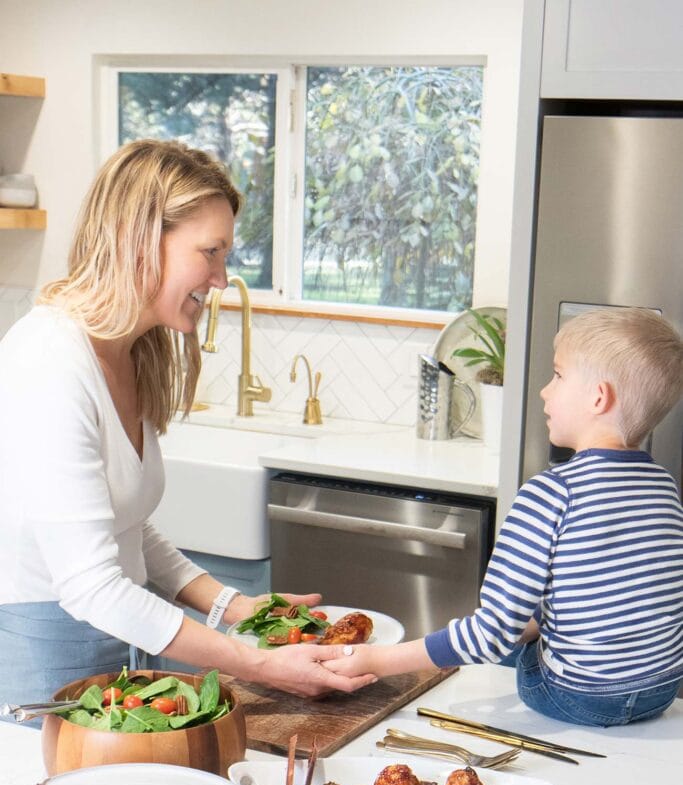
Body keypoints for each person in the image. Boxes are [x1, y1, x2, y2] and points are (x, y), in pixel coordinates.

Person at [0, 139, 376, 715]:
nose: (222, 279)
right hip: (45, 664)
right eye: (211, 252)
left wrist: (236, 607)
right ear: (140, 239)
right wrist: (257, 662)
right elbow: (91, 584)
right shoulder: (49, 357)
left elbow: (131, 531)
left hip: (114, 647)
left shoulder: (129, 352)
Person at [330, 308, 683, 727]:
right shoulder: (664, 486)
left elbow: (490, 635)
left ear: (598, 398)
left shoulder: (553, 492)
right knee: (530, 624)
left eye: (558, 375)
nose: (544, 392)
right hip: (661, 690)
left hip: (575, 697)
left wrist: (380, 659)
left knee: (507, 642)